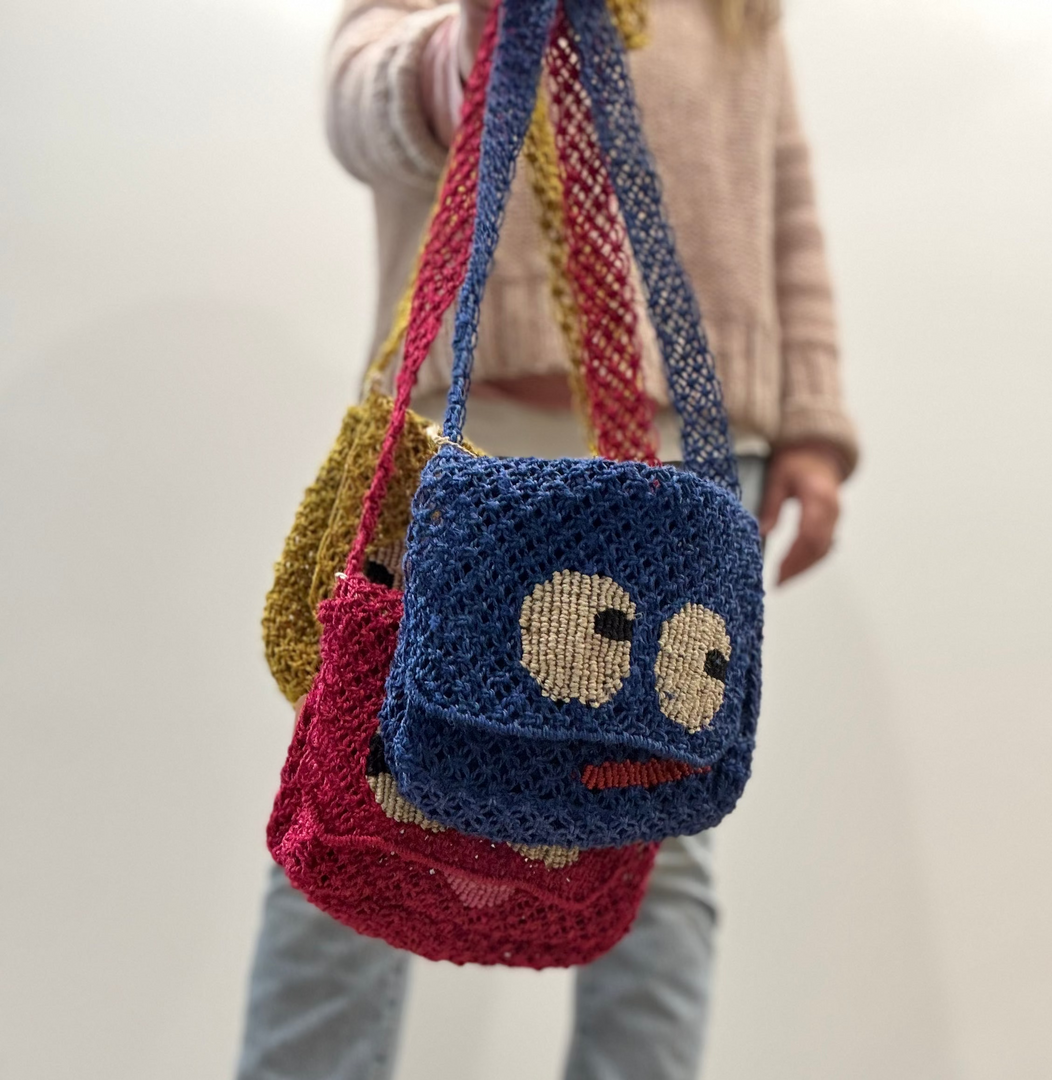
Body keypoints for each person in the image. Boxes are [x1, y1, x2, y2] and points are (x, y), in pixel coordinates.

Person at [236, 2, 859, 1078]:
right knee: (360, 787)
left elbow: (785, 183)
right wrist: (462, 49)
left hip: (689, 450)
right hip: (463, 434)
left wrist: (813, 421)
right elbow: (358, 99)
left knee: (654, 832)